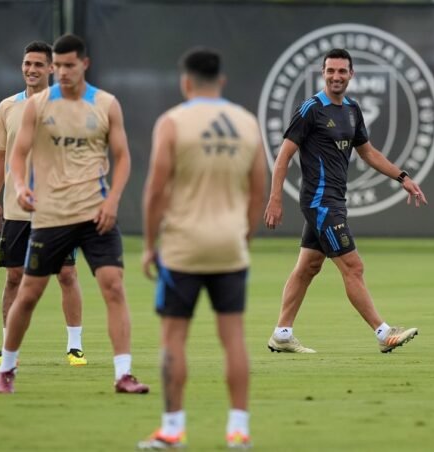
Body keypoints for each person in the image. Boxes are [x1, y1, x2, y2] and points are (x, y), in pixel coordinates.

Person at [0, 33, 149, 394]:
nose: (62, 72)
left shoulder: (106, 104)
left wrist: (113, 202)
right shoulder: (38, 105)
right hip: (51, 215)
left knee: (113, 287)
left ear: (84, 65)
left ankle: (123, 373)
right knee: (28, 293)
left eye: (68, 65)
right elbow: (17, 153)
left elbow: (123, 157)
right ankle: (8, 367)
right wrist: (19, 185)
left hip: (96, 214)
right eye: (58, 66)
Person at [138, 48, 266, 450]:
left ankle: (173, 430)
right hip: (229, 245)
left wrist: (147, 244)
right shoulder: (247, 123)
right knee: (234, 338)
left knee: (173, 337)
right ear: (221, 81)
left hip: (183, 247)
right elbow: (257, 191)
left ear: (186, 81)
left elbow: (156, 189)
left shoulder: (173, 122)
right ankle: (239, 430)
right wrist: (244, 235)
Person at [263, 48, 425, 354]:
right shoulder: (310, 109)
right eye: (330, 71)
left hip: (335, 199)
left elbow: (368, 153)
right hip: (320, 202)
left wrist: (403, 177)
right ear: (322, 73)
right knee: (353, 266)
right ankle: (383, 333)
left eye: (342, 71)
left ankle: (282, 334)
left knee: (308, 266)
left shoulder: (352, 109)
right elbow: (283, 156)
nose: (336, 76)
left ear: (351, 75)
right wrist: (275, 200)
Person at [0, 40, 87, 368]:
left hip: (58, 208)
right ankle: (7, 348)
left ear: (52, 70)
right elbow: (0, 154)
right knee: (14, 276)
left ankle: (75, 347)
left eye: (38, 65)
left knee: (67, 274)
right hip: (17, 208)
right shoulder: (7, 107)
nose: (31, 70)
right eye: (27, 63)